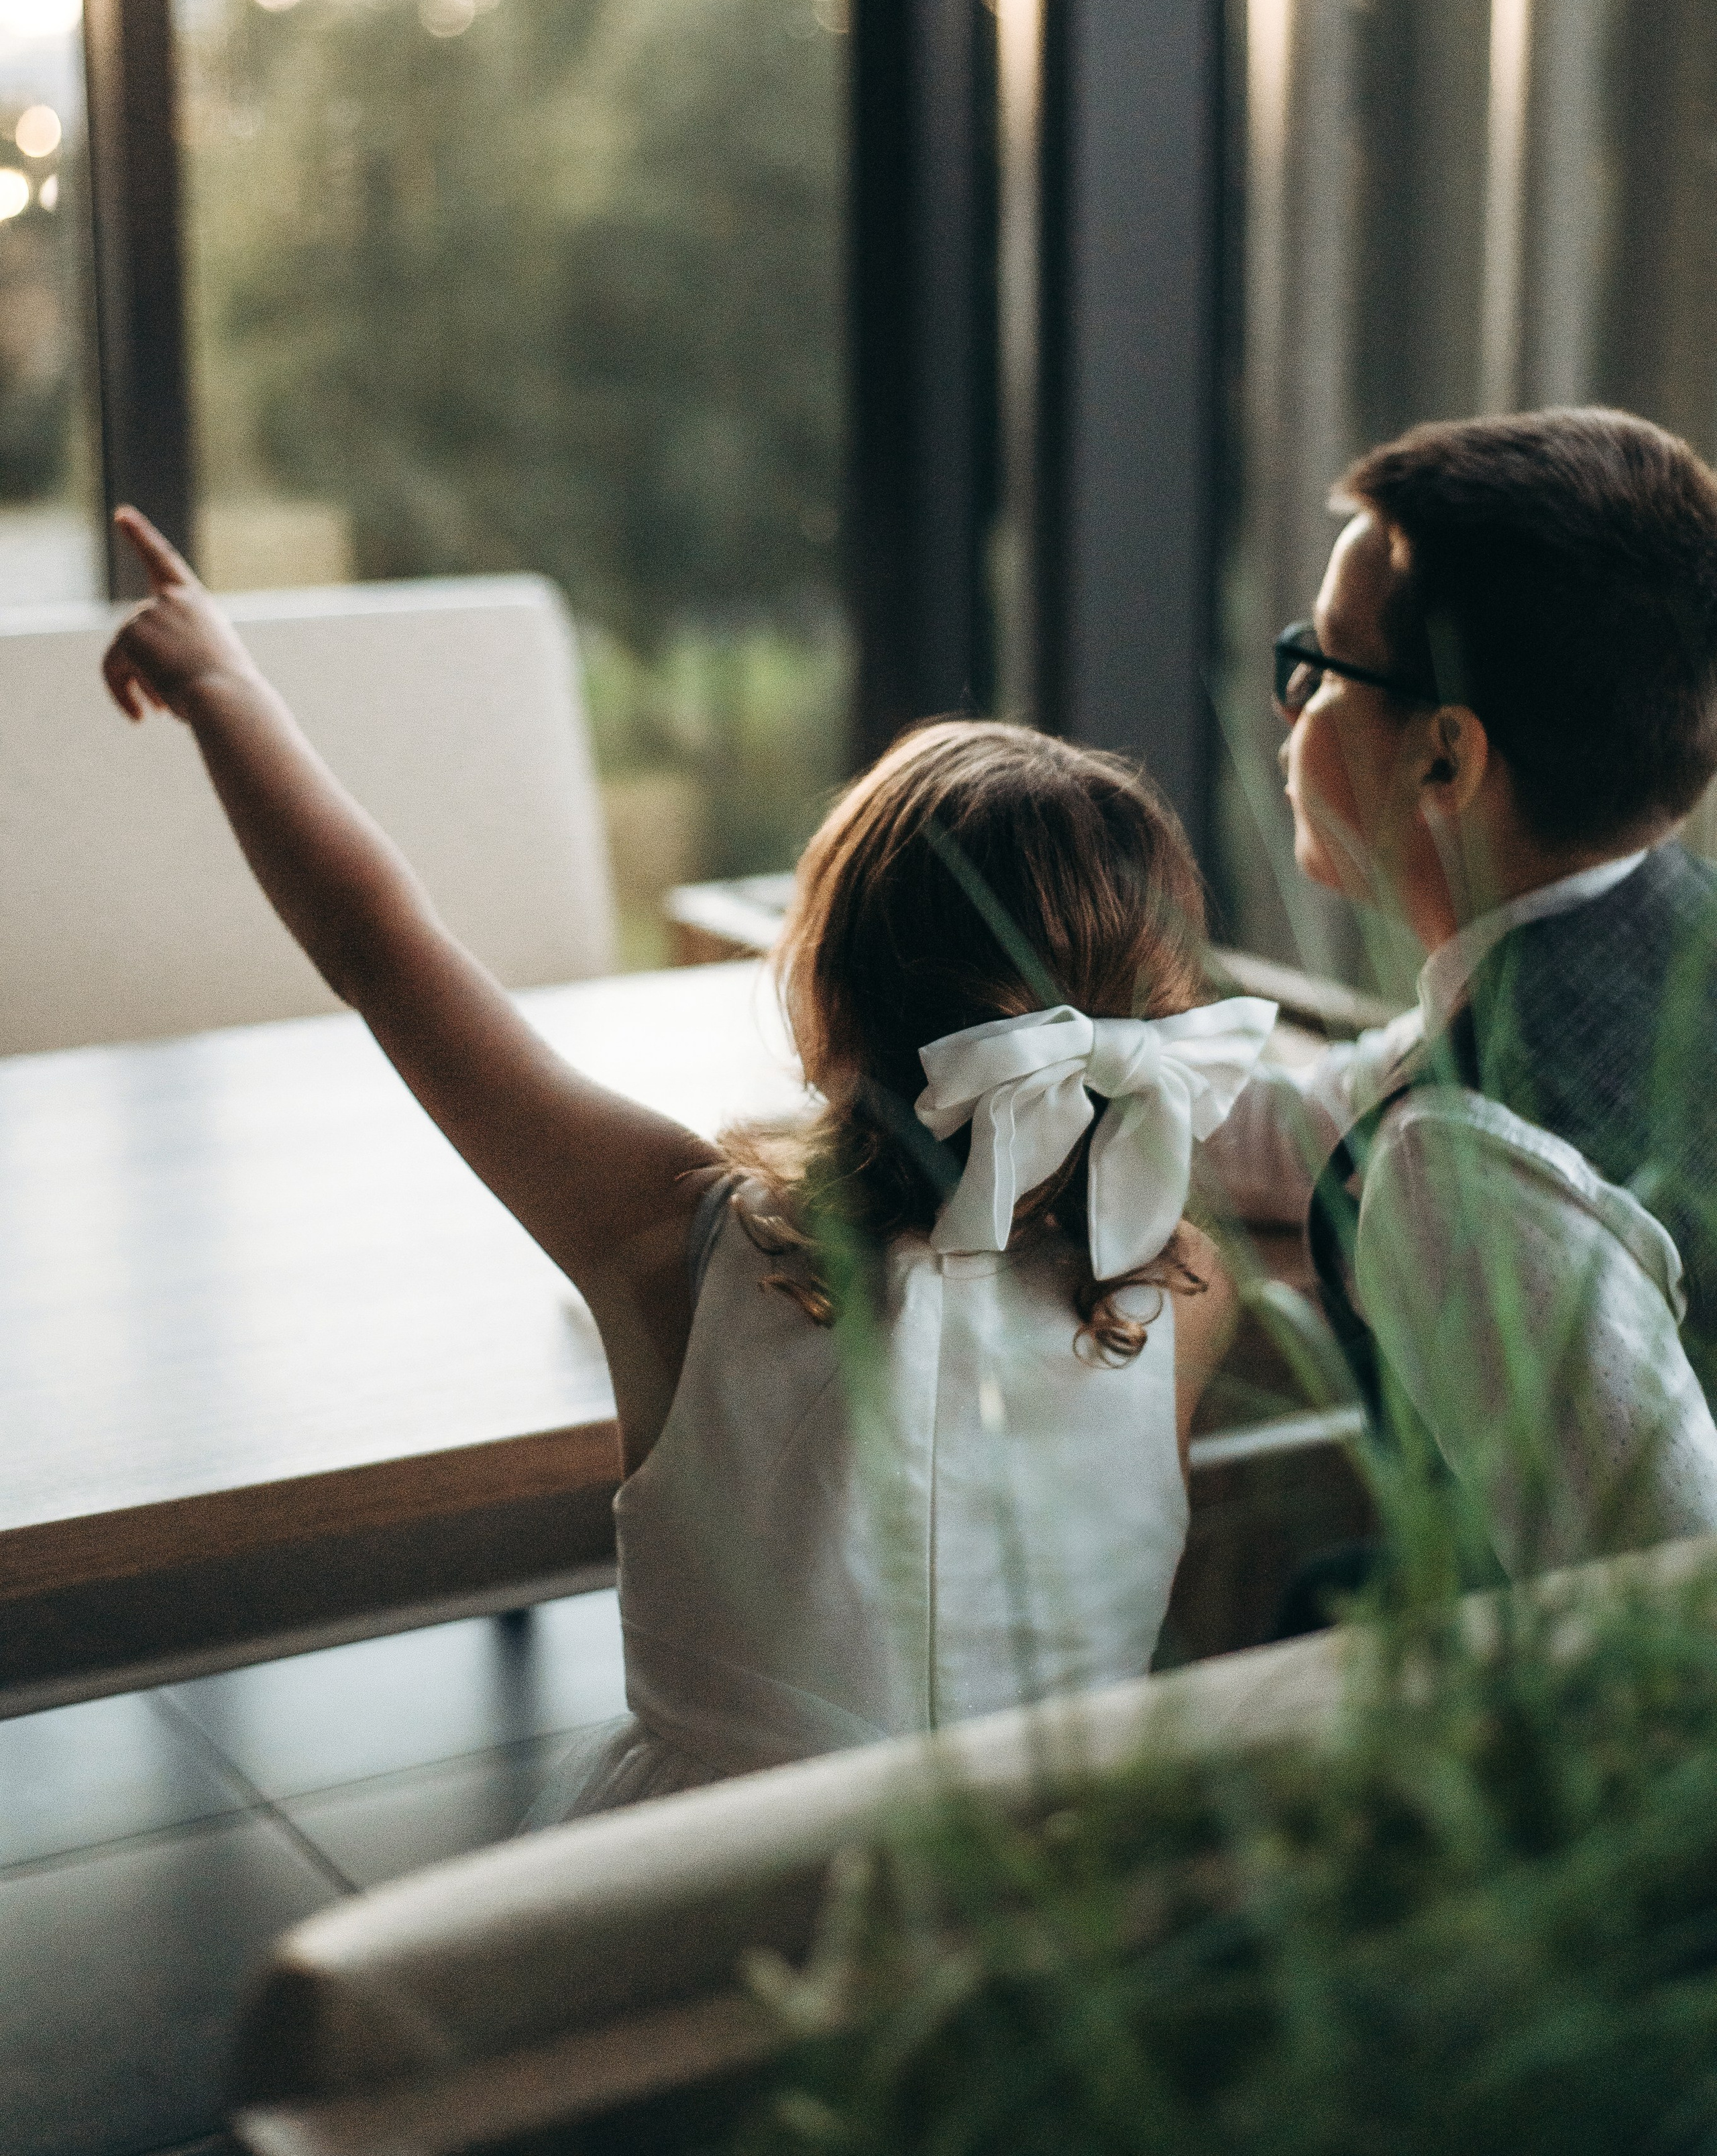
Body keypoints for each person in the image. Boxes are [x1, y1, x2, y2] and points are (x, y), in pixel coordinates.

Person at [100, 505, 1278, 1814]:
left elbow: (380, 950)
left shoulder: (680, 1244)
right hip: (1054, 1922)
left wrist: (222, 685)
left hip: (710, 1907)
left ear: (817, 1009)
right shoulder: (1182, 1296)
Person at [1204, 407, 1717, 1585]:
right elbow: (1340, 1106)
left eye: (1323, 664)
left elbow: (1662, 1625)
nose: (1290, 706)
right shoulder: (1654, 934)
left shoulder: (1462, 1174)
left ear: (1446, 758)